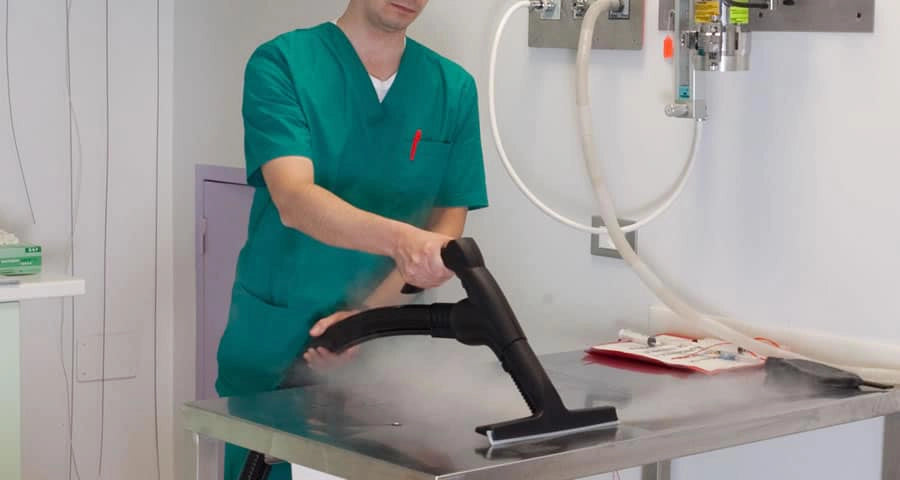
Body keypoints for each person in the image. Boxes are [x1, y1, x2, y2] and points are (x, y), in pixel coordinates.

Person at [214, 0, 488, 478]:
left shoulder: (453, 88)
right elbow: (295, 198)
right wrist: (404, 241)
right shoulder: (282, 64)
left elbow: (446, 225)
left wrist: (368, 320)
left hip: (390, 353)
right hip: (280, 345)